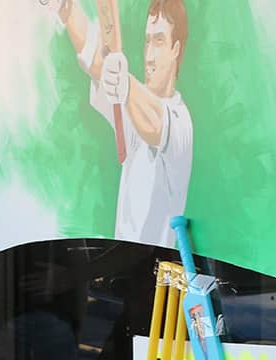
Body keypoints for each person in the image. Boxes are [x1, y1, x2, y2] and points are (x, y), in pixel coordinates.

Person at [45, 0, 192, 247]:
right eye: (147, 41)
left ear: (175, 49)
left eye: (158, 41)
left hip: (155, 273)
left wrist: (123, 79)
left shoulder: (180, 121)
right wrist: (65, 7)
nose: (149, 55)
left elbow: (155, 124)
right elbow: (95, 59)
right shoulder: (133, 107)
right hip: (122, 265)